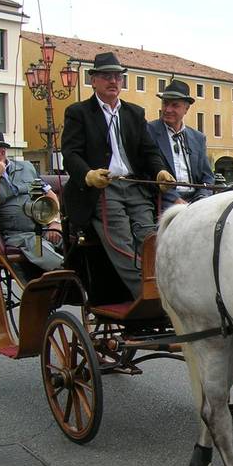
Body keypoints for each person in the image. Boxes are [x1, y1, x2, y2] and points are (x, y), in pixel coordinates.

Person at [61, 52, 176, 300]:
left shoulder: (134, 113)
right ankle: (147, 298)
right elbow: (70, 154)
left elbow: (149, 151)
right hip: (101, 190)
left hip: (134, 187)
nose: (113, 81)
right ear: (94, 81)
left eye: (117, 77)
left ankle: (162, 290)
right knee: (120, 240)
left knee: (150, 238)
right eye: (106, 76)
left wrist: (160, 171)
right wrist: (88, 174)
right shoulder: (78, 112)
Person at [0, 130, 63, 271]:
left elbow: (49, 195)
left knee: (76, 245)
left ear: (2, 152)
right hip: (19, 236)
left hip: (43, 228)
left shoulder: (27, 168)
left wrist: (55, 222)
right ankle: (62, 273)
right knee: (49, 256)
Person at [146, 80, 214, 210]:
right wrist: (174, 199)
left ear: (186, 109)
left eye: (175, 105)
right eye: (165, 104)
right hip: (162, 200)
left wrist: (201, 199)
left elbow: (208, 177)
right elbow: (147, 172)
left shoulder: (198, 138)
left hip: (196, 201)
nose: (168, 109)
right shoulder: (149, 131)